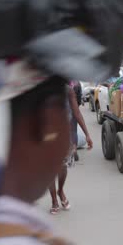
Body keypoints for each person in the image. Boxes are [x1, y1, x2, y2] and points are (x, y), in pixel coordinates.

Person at [48, 86, 93, 215]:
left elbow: (76, 113)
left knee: (63, 167)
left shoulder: (67, 89)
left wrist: (87, 134)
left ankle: (60, 190)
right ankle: (54, 200)